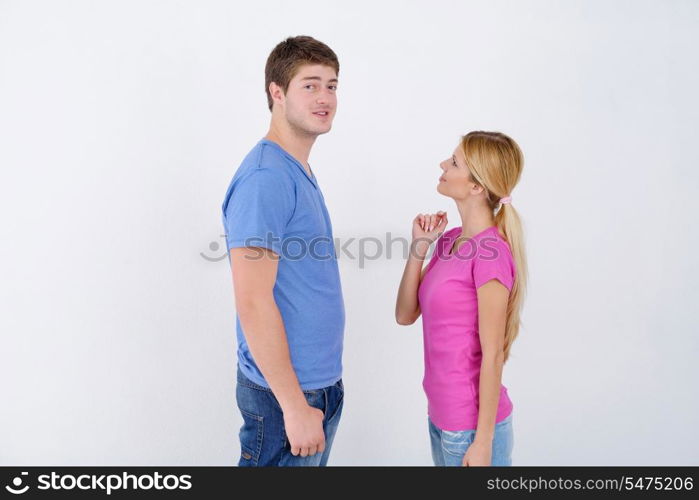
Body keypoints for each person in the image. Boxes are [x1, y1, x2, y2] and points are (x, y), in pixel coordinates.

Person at [221, 36, 345, 467]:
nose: (325, 97)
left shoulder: (296, 168)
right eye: (310, 85)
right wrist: (293, 406)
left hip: (314, 386)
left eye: (331, 85)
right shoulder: (266, 178)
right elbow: (252, 300)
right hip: (286, 396)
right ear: (277, 92)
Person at [395, 131, 527, 466]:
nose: (443, 164)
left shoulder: (490, 254)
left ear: (476, 187)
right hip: (441, 418)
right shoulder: (451, 240)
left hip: (471, 429)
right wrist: (420, 247)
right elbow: (405, 314)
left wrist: (483, 442)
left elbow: (493, 354)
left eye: (454, 162)